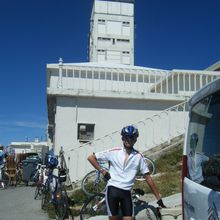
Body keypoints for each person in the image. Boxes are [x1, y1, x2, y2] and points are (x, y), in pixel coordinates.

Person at [88, 125, 166, 220]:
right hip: (112, 190)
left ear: (135, 139)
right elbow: (91, 158)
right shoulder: (114, 152)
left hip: (126, 193)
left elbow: (148, 178)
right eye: (126, 137)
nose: (129, 139)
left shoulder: (138, 156)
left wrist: (159, 198)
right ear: (122, 138)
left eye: (132, 137)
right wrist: (103, 171)